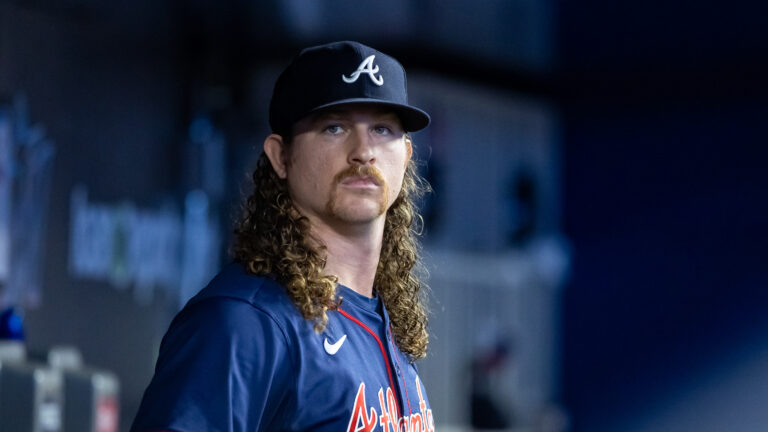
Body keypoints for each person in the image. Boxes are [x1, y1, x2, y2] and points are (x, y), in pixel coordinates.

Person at [131, 41, 435, 432]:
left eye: (382, 128)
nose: (364, 151)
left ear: (406, 155)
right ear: (280, 156)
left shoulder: (383, 326)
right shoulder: (244, 322)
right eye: (334, 127)